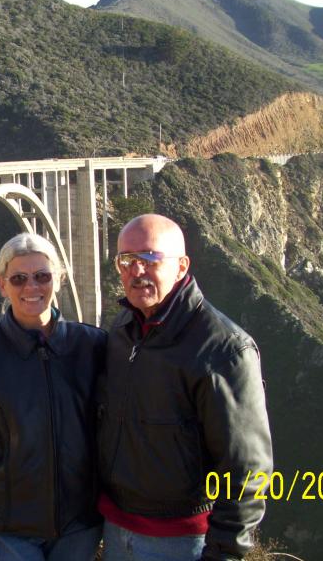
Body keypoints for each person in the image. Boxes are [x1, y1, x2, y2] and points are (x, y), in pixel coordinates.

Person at [98, 214, 273, 560]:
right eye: (127, 260)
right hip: (115, 530)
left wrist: (222, 552)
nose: (137, 271)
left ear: (181, 267)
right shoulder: (122, 331)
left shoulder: (223, 349)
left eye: (150, 258)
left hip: (180, 541)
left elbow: (247, 469)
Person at [0, 232, 106, 561]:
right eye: (19, 278)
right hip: (6, 531)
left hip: (79, 527)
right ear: (2, 285)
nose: (32, 287)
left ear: (57, 279)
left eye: (42, 276)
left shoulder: (94, 347)